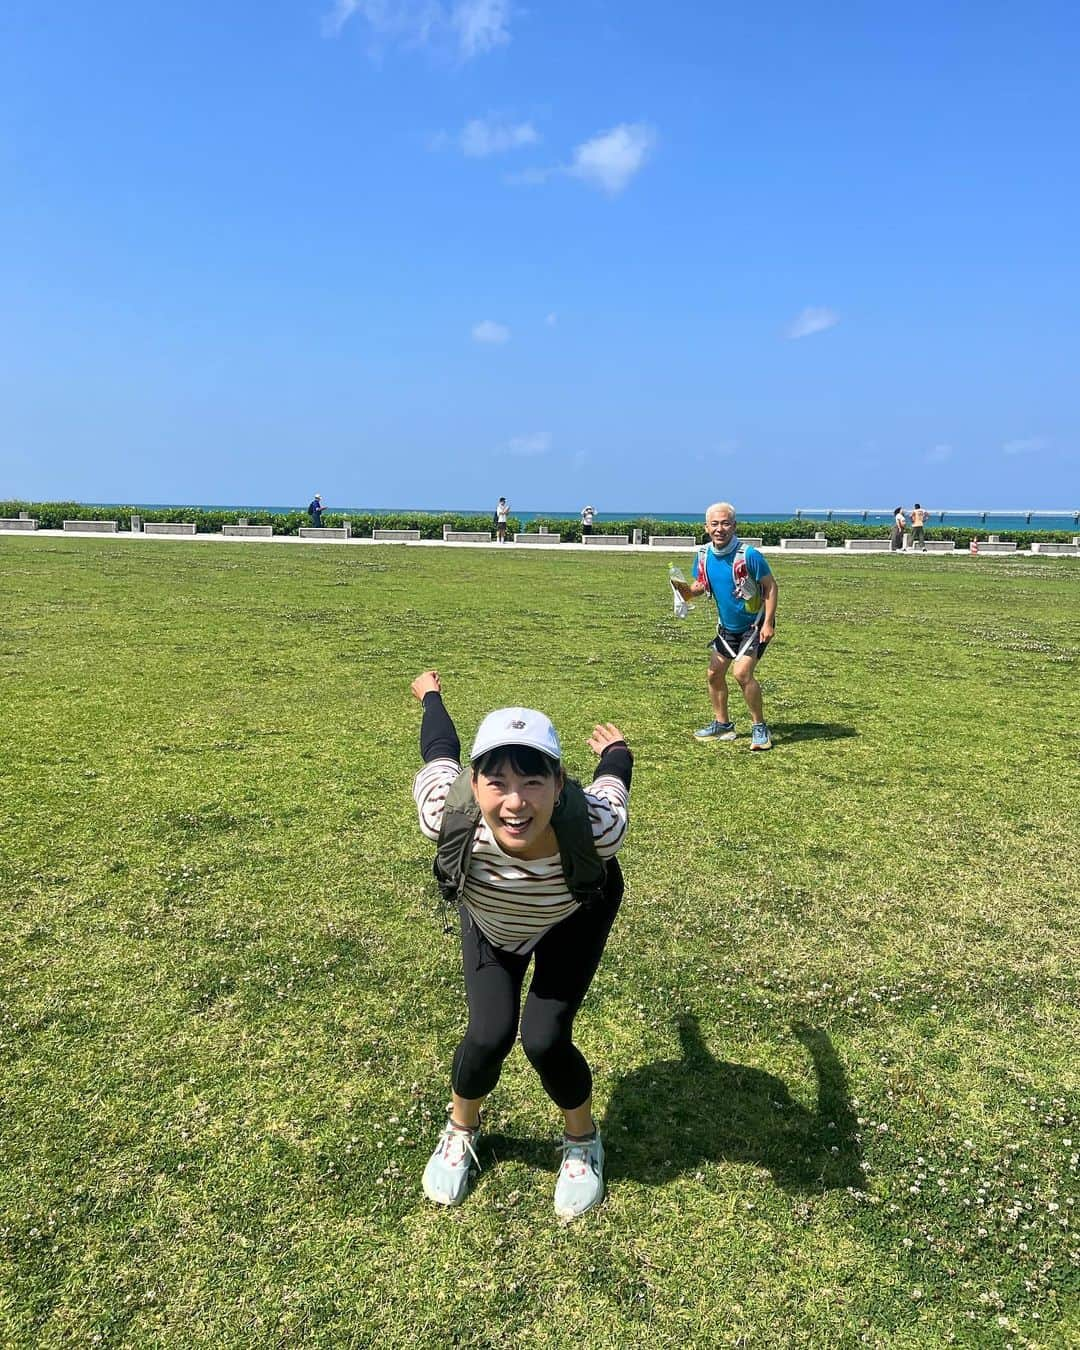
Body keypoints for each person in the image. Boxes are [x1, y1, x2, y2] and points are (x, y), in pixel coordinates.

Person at [410, 669, 632, 1219]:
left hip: (573, 915)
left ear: (559, 786)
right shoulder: (445, 811)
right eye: (497, 781)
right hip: (492, 920)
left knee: (544, 1038)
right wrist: (431, 693)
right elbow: (440, 747)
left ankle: (582, 1143)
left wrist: (617, 750)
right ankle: (461, 1128)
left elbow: (613, 781)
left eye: (533, 781)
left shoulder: (597, 827)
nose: (515, 801)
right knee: (488, 1035)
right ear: (474, 782)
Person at [670, 502, 778, 751]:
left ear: (734, 526)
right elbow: (701, 586)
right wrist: (682, 590)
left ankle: (759, 727)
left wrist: (769, 623)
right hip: (727, 627)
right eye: (715, 524)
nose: (720, 529)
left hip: (754, 625)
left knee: (741, 674)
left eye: (726, 523)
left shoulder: (749, 555)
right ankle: (723, 724)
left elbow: (770, 586)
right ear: (706, 527)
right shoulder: (704, 555)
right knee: (714, 674)